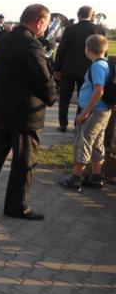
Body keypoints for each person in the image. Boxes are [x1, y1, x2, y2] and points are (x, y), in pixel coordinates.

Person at [0, 4, 57, 220]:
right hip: (23, 114)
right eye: (46, 23)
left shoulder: (4, 39)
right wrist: (52, 96)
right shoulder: (31, 44)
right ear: (39, 22)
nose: (46, 28)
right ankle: (16, 206)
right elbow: (43, 79)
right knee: (24, 161)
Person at [60, 34, 112, 190]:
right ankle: (96, 176)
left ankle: (76, 178)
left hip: (94, 112)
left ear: (88, 49)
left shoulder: (97, 66)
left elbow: (98, 90)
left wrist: (84, 114)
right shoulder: (105, 64)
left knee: (84, 142)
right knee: (96, 143)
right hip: (102, 111)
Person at [53, 5, 102, 132]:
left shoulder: (70, 29)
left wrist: (57, 68)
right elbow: (103, 51)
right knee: (83, 98)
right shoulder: (98, 29)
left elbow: (61, 49)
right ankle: (78, 124)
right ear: (92, 15)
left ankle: (63, 124)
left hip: (68, 68)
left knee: (64, 98)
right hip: (88, 70)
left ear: (78, 15)